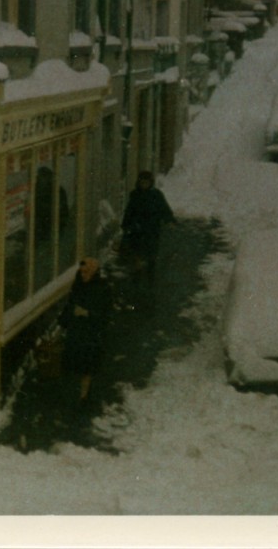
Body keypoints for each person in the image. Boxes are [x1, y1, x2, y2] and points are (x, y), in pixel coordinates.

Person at [58, 258, 113, 406]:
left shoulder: (102, 289)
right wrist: (64, 320)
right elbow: (70, 304)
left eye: (87, 272)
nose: (84, 274)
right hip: (76, 331)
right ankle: (76, 394)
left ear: (94, 272)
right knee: (74, 363)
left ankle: (84, 395)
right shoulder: (78, 285)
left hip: (91, 333)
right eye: (82, 271)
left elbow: (105, 315)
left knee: (87, 366)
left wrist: (87, 313)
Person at [120, 170, 175, 276]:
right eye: (142, 182)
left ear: (151, 182)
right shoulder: (135, 194)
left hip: (152, 228)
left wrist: (170, 219)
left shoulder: (156, 195)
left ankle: (150, 268)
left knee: (151, 249)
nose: (144, 184)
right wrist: (125, 224)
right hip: (137, 228)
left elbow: (164, 208)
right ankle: (137, 270)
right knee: (137, 250)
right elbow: (129, 210)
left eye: (146, 182)